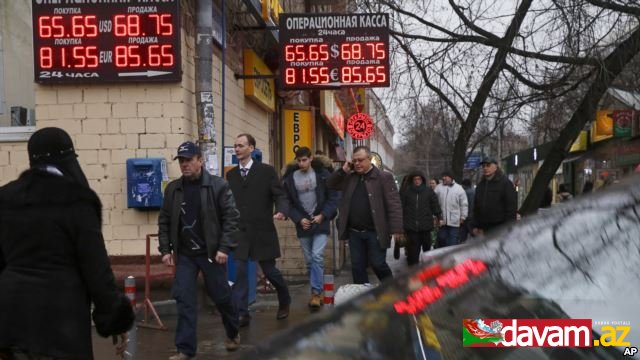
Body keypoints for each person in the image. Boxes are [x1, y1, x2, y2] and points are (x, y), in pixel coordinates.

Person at [0, 127, 134, 359]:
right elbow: (96, 270)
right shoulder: (78, 200)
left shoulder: (5, 198)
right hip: (61, 324)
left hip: (10, 321)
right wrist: (115, 319)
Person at [158, 141, 241, 359]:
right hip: (185, 255)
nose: (185, 165)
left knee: (222, 297)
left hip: (212, 254)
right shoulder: (173, 189)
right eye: (181, 161)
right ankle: (185, 350)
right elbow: (164, 220)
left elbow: (231, 218)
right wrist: (165, 249)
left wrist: (224, 248)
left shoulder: (218, 186)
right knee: (184, 299)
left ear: (200, 161)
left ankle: (233, 331)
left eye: (189, 160)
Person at [227, 134, 291, 327]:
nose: (237, 149)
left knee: (270, 272)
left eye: (241, 146)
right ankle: (242, 312)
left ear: (251, 148)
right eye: (235, 146)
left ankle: (284, 298)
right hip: (240, 232)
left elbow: (279, 195)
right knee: (239, 272)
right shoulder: (231, 175)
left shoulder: (266, 171)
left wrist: (281, 210)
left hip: (262, 231)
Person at [327, 146, 403, 284]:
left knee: (378, 264)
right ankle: (362, 298)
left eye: (361, 160)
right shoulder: (350, 176)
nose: (357, 164)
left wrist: (397, 228)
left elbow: (394, 204)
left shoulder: (383, 177)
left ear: (370, 159)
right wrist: (342, 171)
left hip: (376, 231)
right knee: (357, 267)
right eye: (354, 161)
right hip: (355, 232)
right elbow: (330, 184)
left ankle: (393, 290)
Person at [282, 147, 340, 309]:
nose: (301, 164)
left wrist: (323, 215)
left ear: (311, 158)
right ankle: (317, 290)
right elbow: (288, 202)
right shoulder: (291, 178)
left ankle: (316, 292)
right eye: (299, 160)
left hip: (320, 221)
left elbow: (333, 197)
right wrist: (299, 219)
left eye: (304, 160)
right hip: (303, 224)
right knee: (309, 261)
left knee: (316, 256)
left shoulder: (322, 175)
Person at [400, 170, 441, 266]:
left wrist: (439, 216)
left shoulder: (428, 191)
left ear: (422, 180)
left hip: (425, 226)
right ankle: (414, 273)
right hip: (411, 227)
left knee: (427, 252)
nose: (417, 181)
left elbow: (435, 204)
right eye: (415, 179)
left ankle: (427, 271)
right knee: (413, 254)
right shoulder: (406, 192)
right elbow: (400, 207)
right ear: (412, 180)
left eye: (419, 179)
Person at [472, 157, 518, 236]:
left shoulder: (505, 183)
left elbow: (511, 207)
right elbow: (476, 207)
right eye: (483, 166)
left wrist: (508, 227)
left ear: (496, 167)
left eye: (488, 165)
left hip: (500, 227)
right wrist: (474, 226)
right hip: (484, 228)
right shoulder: (480, 186)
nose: (485, 168)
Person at [434, 171, 468, 248]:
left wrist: (463, 217)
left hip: (455, 221)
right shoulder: (438, 188)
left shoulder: (459, 189)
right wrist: (435, 216)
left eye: (446, 176)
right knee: (441, 238)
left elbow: (464, 204)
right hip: (442, 220)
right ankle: (443, 254)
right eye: (443, 176)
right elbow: (434, 203)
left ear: (451, 177)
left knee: (452, 242)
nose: (443, 178)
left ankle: (451, 257)